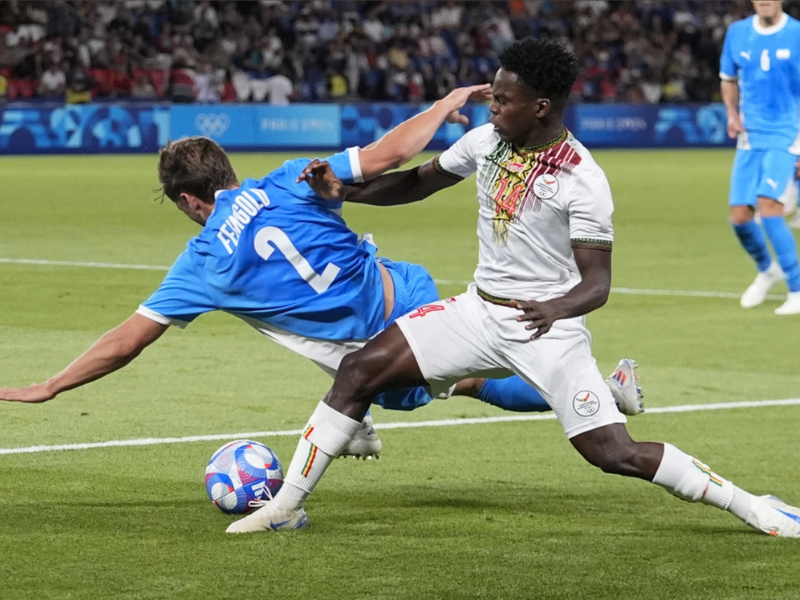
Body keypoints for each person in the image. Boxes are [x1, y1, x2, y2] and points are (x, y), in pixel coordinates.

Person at [226, 38, 800, 538]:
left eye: (502, 100)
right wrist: (343, 193)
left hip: (546, 328)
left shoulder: (583, 179)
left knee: (613, 454)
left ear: (541, 107)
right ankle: (285, 508)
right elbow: (418, 183)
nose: (491, 107)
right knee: (359, 371)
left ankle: (754, 506)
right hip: (476, 312)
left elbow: (597, 283)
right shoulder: (486, 144)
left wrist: (556, 307)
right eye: (492, 96)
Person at [0, 83, 642, 458]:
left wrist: (52, 385)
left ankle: (351, 425)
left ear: (192, 202)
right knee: (466, 377)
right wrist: (446, 100)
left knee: (445, 381)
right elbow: (392, 153)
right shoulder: (287, 179)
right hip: (406, 286)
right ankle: (602, 392)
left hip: (370, 343)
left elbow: (126, 341)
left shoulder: (202, 260)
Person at [721, 1, 800, 314]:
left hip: (787, 134)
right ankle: (768, 270)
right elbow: (728, 78)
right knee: (740, 216)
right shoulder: (737, 33)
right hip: (750, 136)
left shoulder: (796, 34)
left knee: (769, 207)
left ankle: (797, 289)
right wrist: (730, 112)